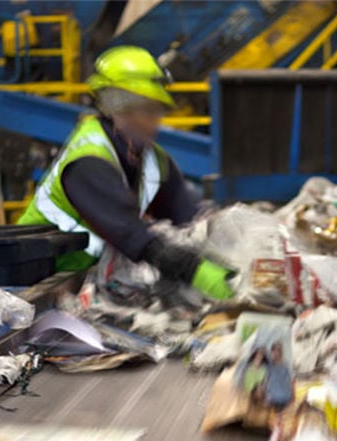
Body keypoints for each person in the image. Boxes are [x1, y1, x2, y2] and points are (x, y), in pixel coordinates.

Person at [19, 46, 234, 298]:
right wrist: (199, 273)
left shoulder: (150, 158)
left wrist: (232, 245)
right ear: (119, 109)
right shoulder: (89, 161)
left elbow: (189, 213)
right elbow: (134, 237)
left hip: (86, 281)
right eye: (148, 110)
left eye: (157, 110)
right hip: (39, 285)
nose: (156, 120)